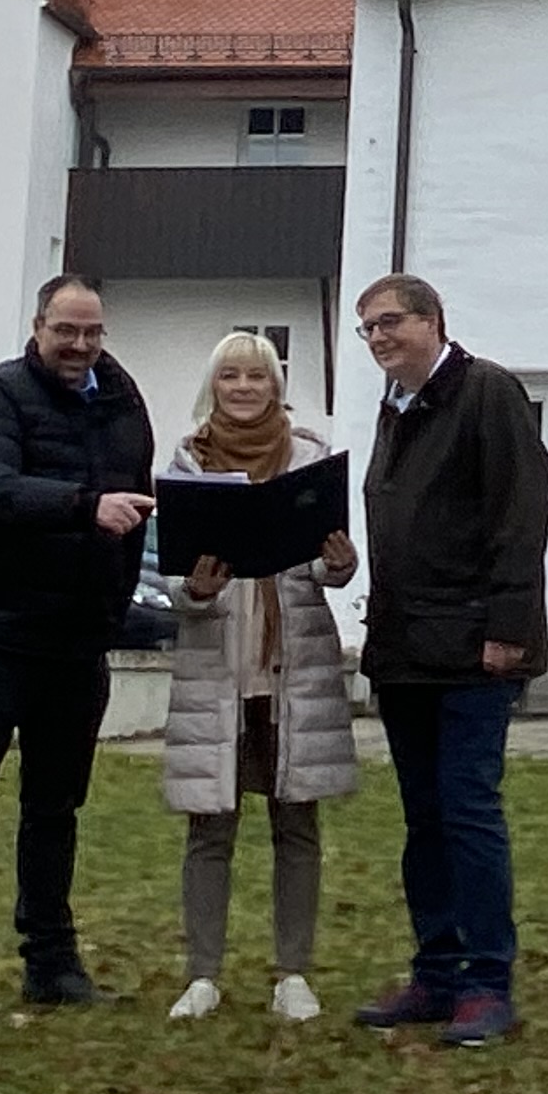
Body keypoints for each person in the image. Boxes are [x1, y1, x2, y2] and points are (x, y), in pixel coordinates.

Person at [0, 272, 154, 1027]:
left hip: (75, 640)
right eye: (65, 331)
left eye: (92, 332)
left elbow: (135, 502)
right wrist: (82, 507)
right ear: (37, 327)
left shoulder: (121, 400)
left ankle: (50, 962)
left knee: (56, 809)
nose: (79, 346)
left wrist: (115, 601)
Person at [348, 271, 548, 1047]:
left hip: (472, 649)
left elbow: (521, 511)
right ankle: (435, 973)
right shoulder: (395, 410)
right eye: (367, 328)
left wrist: (507, 629)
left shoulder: (487, 393)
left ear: (434, 321)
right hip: (405, 651)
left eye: (391, 322)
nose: (378, 338)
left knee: (469, 814)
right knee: (423, 820)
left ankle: (487, 983)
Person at [157, 332, 363, 1022]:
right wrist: (197, 587)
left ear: (276, 385)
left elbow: (320, 567)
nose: (244, 388)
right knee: (210, 827)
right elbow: (172, 583)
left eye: (257, 376)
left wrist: (337, 566)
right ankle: (203, 975)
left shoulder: (308, 458)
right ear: (213, 386)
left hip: (292, 670)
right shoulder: (187, 460)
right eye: (230, 377)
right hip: (217, 668)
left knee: (296, 823)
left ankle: (293, 973)